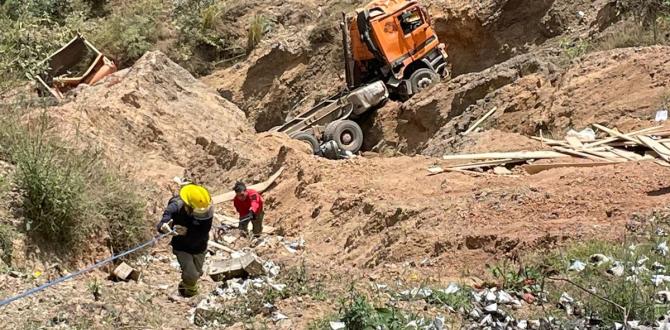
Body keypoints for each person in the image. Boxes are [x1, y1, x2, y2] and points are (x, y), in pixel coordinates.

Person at [157, 183, 213, 297]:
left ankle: (184, 288)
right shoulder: (175, 207)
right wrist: (164, 228)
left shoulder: (206, 208)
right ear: (187, 205)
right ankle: (188, 294)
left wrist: (188, 232)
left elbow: (204, 231)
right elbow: (162, 224)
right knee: (192, 275)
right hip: (182, 247)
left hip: (200, 246)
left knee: (196, 274)